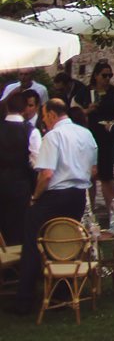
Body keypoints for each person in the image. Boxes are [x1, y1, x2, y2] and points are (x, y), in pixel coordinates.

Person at [10, 98, 97, 315]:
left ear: (50, 115)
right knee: (66, 239)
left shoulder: (53, 136)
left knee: (33, 239)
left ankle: (25, 298)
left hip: (56, 195)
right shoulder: (85, 133)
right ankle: (62, 290)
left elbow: (46, 174)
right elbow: (94, 170)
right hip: (78, 195)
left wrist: (35, 197)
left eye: (44, 116)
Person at [0, 90, 39, 249]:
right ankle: (19, 266)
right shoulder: (31, 131)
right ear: (24, 109)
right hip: (21, 185)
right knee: (21, 226)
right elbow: (37, 163)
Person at [86, 61, 114, 218]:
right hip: (91, 135)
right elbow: (75, 111)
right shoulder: (86, 92)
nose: (107, 78)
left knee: (107, 175)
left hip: (106, 138)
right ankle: (90, 212)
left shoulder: (113, 91)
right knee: (91, 175)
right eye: (104, 75)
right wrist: (87, 110)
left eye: (110, 75)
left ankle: (112, 213)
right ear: (96, 76)